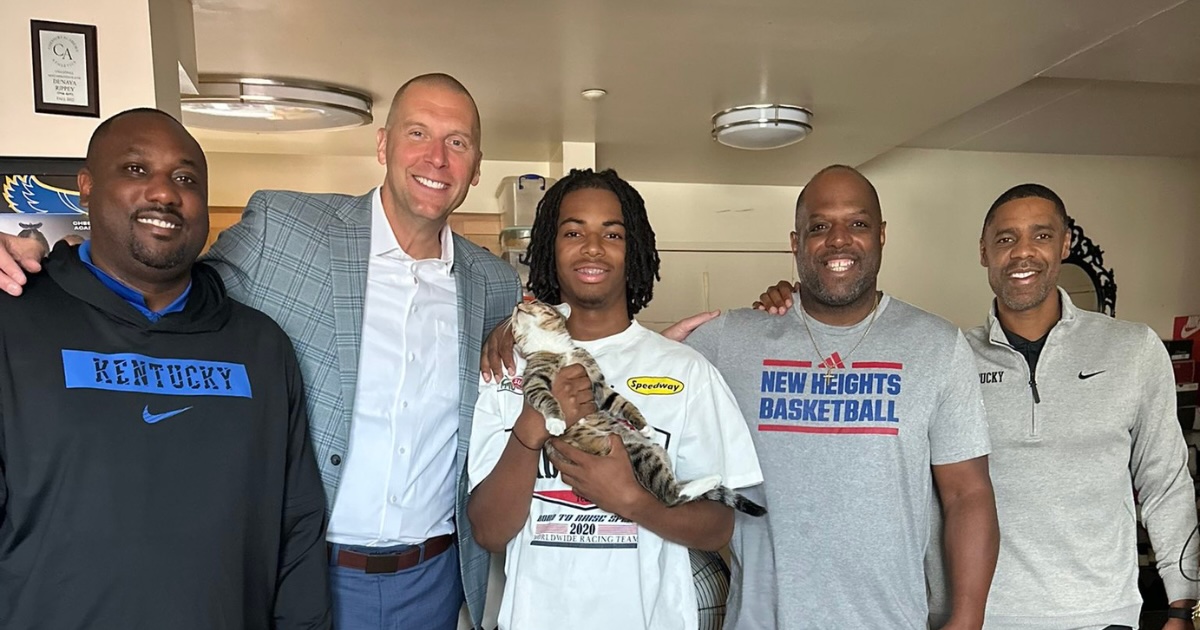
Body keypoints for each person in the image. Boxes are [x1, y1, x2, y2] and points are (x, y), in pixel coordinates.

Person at [0, 73, 520, 630]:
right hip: (308, 571)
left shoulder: (493, 284)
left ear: (477, 164)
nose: (436, 157)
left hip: (432, 578)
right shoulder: (284, 227)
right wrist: (51, 264)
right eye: (418, 133)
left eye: (457, 142)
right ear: (383, 145)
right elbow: (167, 271)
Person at [755, 182, 1200, 629]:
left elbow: (1165, 481)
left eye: (1042, 236)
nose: (1022, 253)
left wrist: (1184, 604)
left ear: (1065, 244)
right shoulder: (944, 353)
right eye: (1005, 239)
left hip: (1100, 615)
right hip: (968, 619)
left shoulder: (1132, 349)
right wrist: (799, 306)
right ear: (984, 252)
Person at [0, 108, 330, 629]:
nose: (164, 193)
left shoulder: (261, 348)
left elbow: (298, 528)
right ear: (86, 188)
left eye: (185, 178)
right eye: (135, 170)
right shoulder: (14, 321)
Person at [681, 164, 999, 629]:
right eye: (819, 226)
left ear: (882, 235)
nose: (838, 239)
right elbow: (638, 381)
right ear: (796, 243)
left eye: (858, 223)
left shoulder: (936, 345)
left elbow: (967, 493)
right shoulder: (732, 339)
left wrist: (967, 619)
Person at [466, 168, 763, 630]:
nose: (592, 247)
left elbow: (718, 526)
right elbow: (489, 531)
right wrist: (532, 422)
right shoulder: (507, 366)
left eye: (613, 233)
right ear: (549, 246)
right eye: (573, 231)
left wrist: (632, 500)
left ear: (634, 250)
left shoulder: (686, 372)